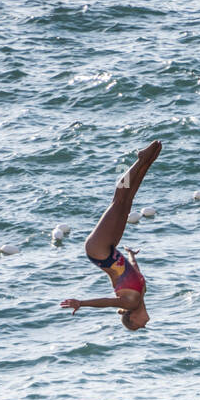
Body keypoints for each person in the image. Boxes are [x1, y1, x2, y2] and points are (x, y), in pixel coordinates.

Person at [61, 140, 161, 331]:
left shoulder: (130, 303)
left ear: (132, 318)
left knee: (119, 200)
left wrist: (81, 303)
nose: (144, 325)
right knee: (127, 201)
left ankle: (140, 161)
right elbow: (134, 271)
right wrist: (131, 255)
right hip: (109, 249)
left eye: (138, 327)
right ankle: (148, 161)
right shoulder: (141, 293)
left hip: (98, 250)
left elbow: (107, 302)